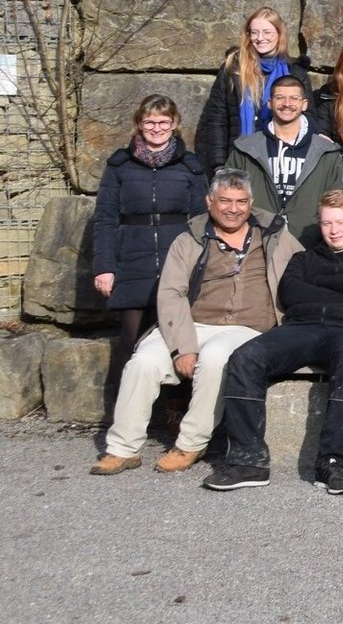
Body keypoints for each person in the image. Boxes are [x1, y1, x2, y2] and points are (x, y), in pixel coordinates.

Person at [89, 169, 296, 477]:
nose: (233, 208)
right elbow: (171, 293)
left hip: (246, 328)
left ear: (251, 203)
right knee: (142, 362)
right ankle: (123, 448)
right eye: (224, 200)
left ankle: (190, 443)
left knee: (215, 360)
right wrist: (183, 347)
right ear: (209, 202)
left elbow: (306, 271)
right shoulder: (189, 239)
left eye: (241, 201)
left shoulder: (274, 235)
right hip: (192, 322)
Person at [202, 190, 343, 494]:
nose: (334, 230)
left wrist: (317, 282)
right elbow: (290, 293)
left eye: (341, 222)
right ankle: (248, 461)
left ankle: (332, 463)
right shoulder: (303, 258)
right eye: (327, 223)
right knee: (244, 357)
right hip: (300, 328)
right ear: (320, 223)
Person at [91, 95, 207, 373]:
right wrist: (104, 267)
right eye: (150, 122)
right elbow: (105, 219)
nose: (157, 128)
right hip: (132, 263)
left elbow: (202, 222)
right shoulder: (120, 166)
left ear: (175, 124)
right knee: (130, 343)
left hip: (176, 263)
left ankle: (171, 413)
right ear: (139, 125)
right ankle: (123, 414)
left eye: (163, 122)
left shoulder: (191, 167)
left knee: (176, 342)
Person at [225, 73, 343, 247]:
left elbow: (338, 202)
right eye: (280, 98)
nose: (287, 104)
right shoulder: (246, 148)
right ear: (270, 103)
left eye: (294, 98)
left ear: (304, 104)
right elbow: (227, 195)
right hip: (256, 242)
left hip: (310, 243)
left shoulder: (326, 151)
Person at [196, 6, 310, 169]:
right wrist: (219, 165)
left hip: (281, 162)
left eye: (267, 32)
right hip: (238, 159)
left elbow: (308, 117)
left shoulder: (296, 73)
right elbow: (217, 119)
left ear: (279, 35)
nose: (259, 38)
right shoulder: (232, 70)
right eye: (254, 32)